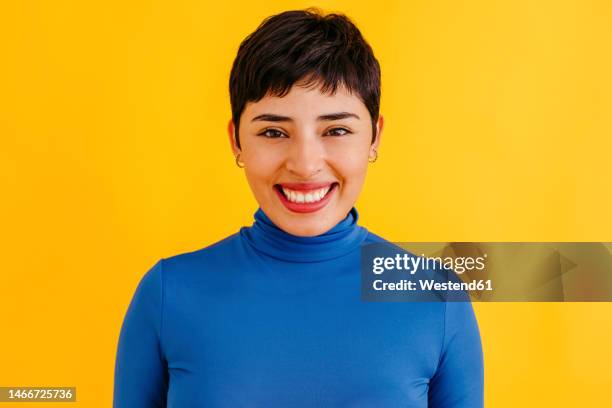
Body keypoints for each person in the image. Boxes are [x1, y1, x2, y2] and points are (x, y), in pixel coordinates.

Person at [113, 8, 484, 407]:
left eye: (336, 130)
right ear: (236, 140)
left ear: (374, 136)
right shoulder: (168, 293)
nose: (305, 164)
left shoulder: (436, 298)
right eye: (273, 132)